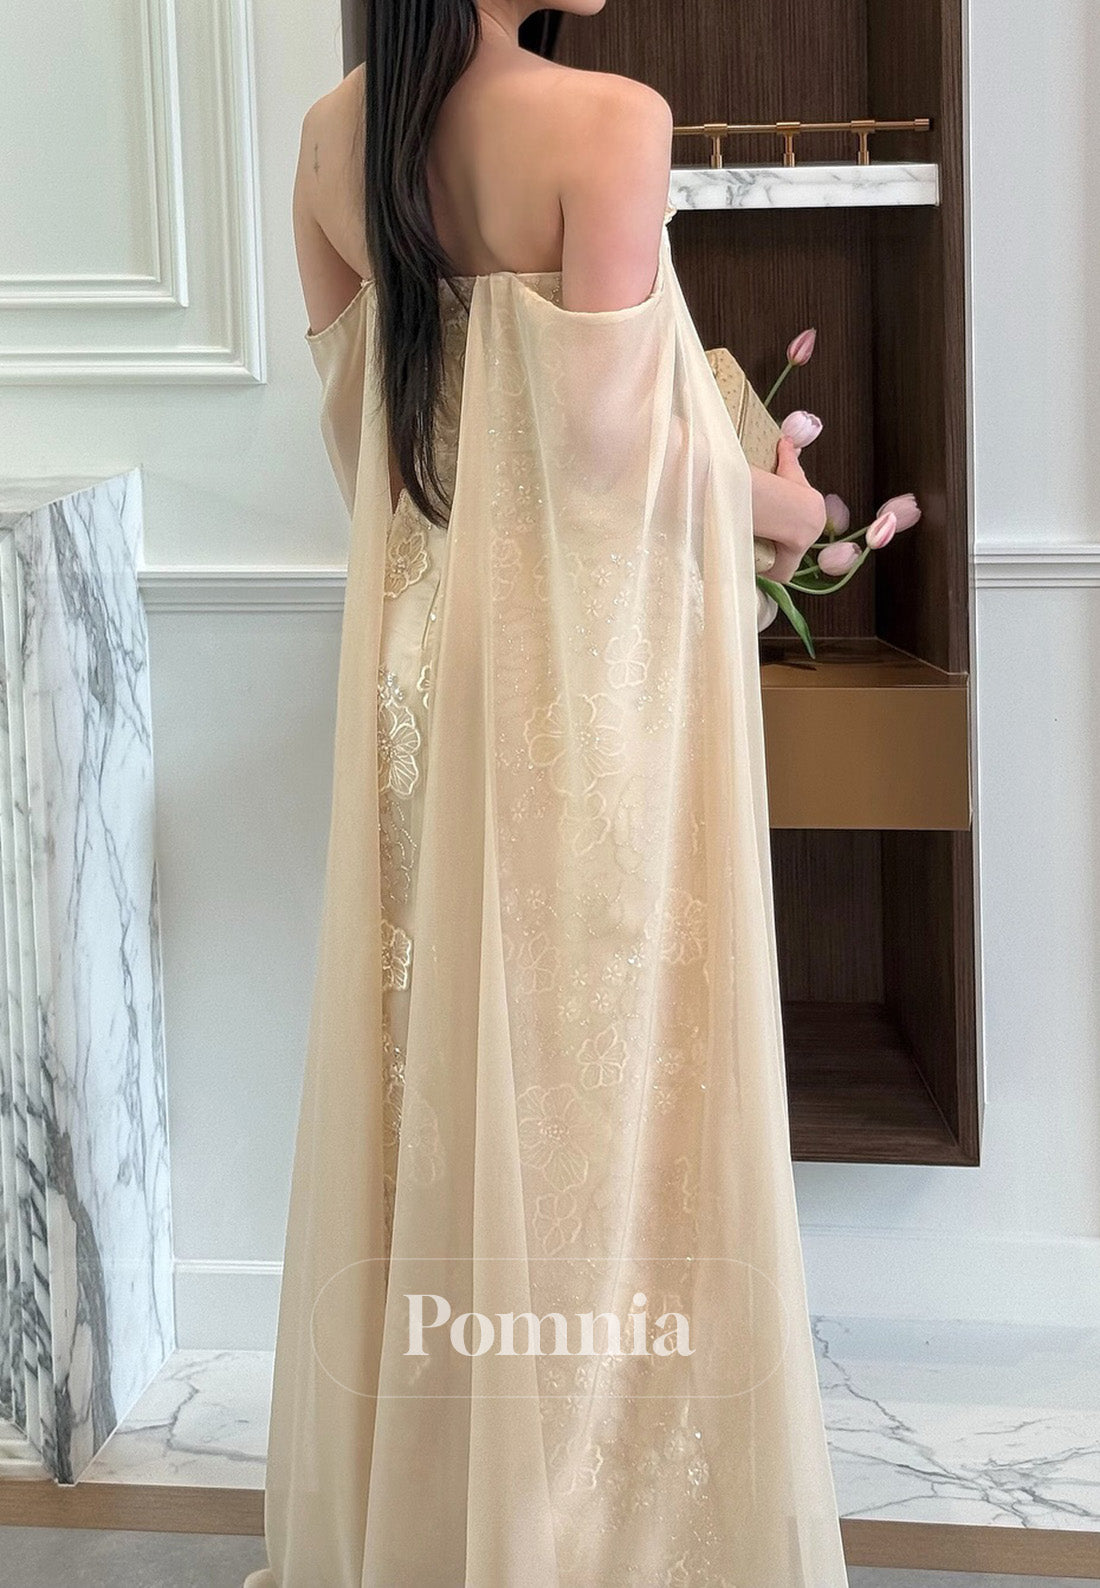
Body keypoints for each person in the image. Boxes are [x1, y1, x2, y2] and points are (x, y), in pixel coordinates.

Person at [245, 3, 848, 1584]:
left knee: (432, 1089)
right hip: (580, 703)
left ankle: (439, 1519)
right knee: (599, 1105)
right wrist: (782, 505)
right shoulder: (609, 123)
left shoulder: (329, 141)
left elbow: (367, 449)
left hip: (417, 691)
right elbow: (605, 457)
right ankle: (591, 1533)